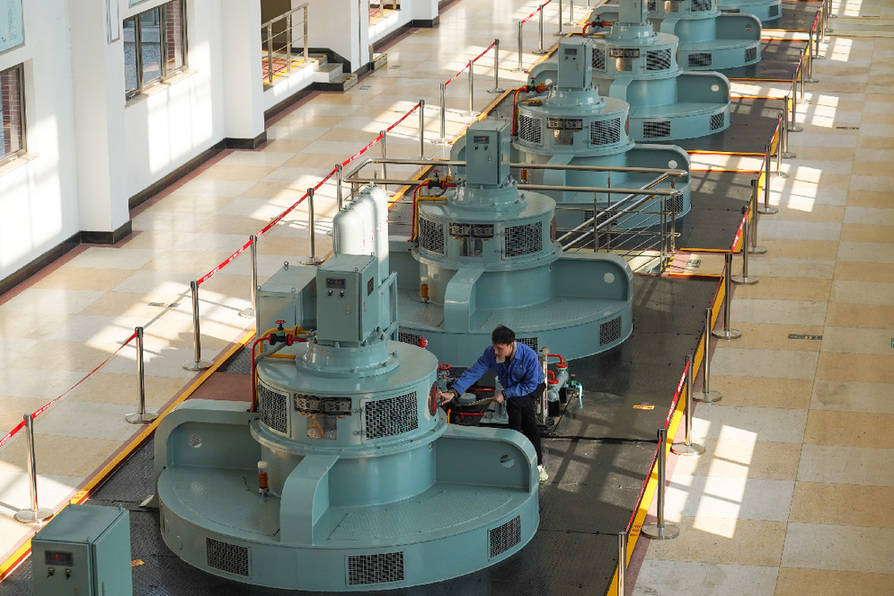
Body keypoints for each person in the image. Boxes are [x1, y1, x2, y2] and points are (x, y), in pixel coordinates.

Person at [439, 325, 549, 483]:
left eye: (500, 348)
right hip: (513, 388)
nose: (495, 352)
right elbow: (475, 371)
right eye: (494, 347)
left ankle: (535, 463)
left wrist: (505, 394)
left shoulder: (528, 356)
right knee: (518, 412)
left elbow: (529, 385)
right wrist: (454, 392)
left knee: (522, 413)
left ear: (511, 345)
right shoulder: (491, 353)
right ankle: (516, 450)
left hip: (533, 386)